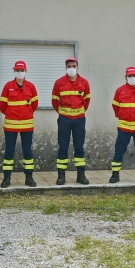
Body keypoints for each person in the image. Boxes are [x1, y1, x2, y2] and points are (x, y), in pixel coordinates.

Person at [0, 60, 39, 188]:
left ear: (26, 71)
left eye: (22, 70)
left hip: (27, 125)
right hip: (11, 125)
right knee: (9, 152)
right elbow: (2, 106)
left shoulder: (31, 87)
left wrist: (26, 113)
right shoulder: (7, 86)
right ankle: (6, 178)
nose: (20, 73)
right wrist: (12, 114)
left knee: (27, 152)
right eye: (17, 70)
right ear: (14, 71)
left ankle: (29, 178)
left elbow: (34, 104)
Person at [52, 57, 91, 185]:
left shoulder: (84, 83)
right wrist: (64, 114)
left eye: (73, 66)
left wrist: (78, 113)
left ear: (77, 67)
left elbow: (87, 101)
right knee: (63, 147)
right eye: (69, 66)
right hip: (64, 120)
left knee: (79, 148)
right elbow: (54, 101)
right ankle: (61, 176)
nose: (71, 68)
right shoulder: (59, 83)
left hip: (79, 120)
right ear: (66, 68)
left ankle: (81, 175)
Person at [110, 67, 135, 184]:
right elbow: (115, 106)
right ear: (125, 77)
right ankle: (115, 175)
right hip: (124, 127)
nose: (132, 78)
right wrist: (121, 115)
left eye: (133, 75)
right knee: (119, 151)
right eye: (129, 76)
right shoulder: (119, 91)